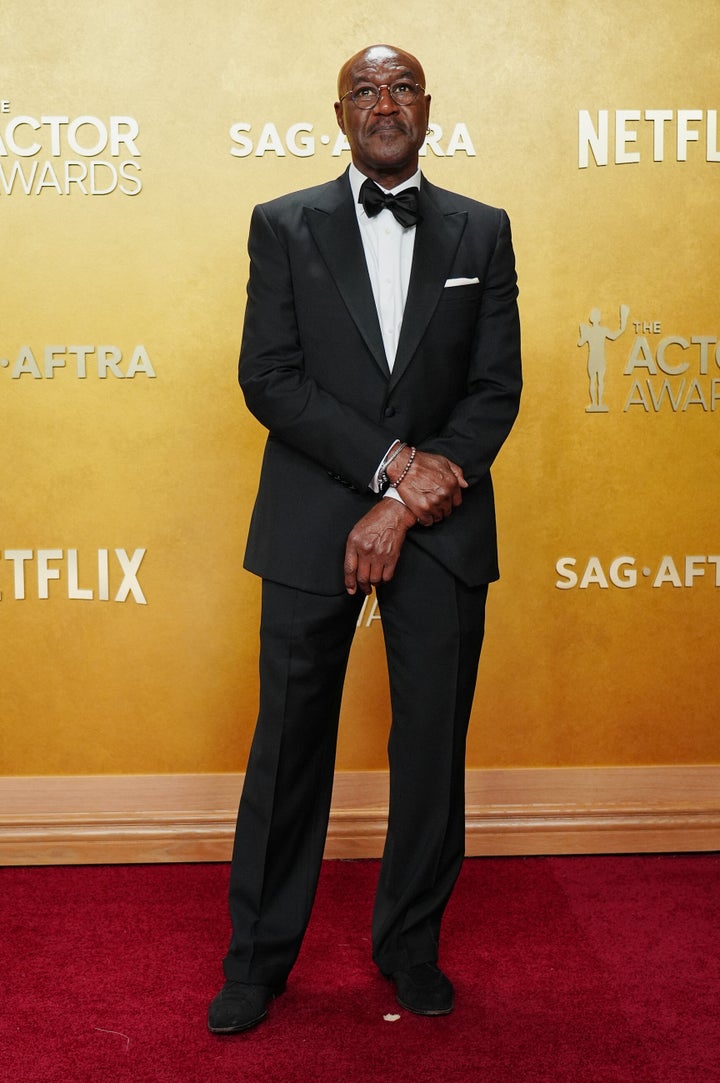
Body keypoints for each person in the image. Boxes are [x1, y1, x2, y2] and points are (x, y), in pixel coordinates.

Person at [208, 43, 522, 1034]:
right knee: (288, 747)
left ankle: (410, 949)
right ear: (340, 114)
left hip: (439, 526)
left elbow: (494, 389)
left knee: (431, 749)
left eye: (401, 89)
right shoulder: (283, 224)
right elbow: (271, 377)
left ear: (427, 107)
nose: (384, 105)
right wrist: (391, 466)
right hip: (311, 519)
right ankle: (257, 964)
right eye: (364, 92)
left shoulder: (484, 229)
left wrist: (405, 502)